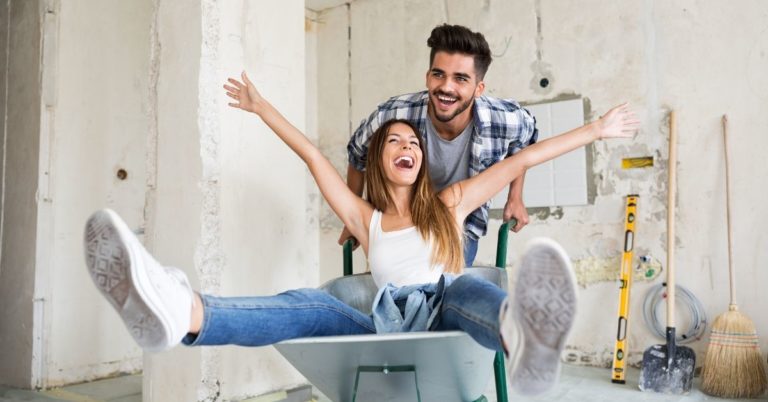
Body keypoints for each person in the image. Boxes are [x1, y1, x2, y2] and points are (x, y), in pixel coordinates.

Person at [84, 71, 638, 395]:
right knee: (306, 303)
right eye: (396, 142)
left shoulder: (449, 203)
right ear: (380, 158)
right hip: (383, 318)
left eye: (415, 145)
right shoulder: (363, 217)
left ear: (422, 162)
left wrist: (598, 128)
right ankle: (179, 311)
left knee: (470, 291)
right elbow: (309, 153)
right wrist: (259, 107)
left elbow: (525, 158)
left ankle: (524, 336)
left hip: (446, 305)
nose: (408, 147)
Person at [342, 24, 539, 266]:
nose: (446, 87)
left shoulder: (503, 119)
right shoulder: (395, 114)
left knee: (444, 286)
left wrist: (515, 197)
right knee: (397, 289)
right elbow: (357, 154)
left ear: (479, 88)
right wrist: (352, 217)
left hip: (459, 226)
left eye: (460, 79)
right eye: (438, 74)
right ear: (427, 76)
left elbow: (526, 141)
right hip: (399, 226)